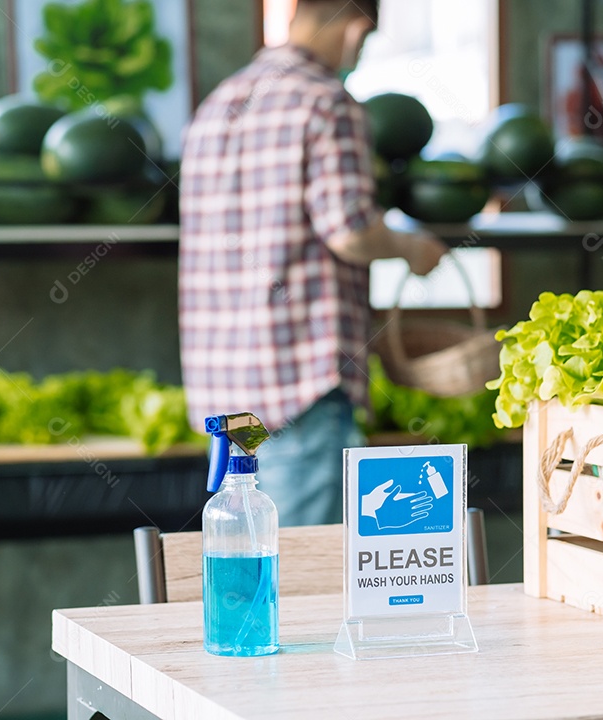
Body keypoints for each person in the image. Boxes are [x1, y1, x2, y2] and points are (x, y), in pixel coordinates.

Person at [178, 0, 448, 526]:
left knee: (250, 550)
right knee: (306, 561)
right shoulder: (328, 103)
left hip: (224, 389)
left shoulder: (219, 101)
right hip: (300, 380)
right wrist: (414, 249)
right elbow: (350, 232)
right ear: (356, 29)